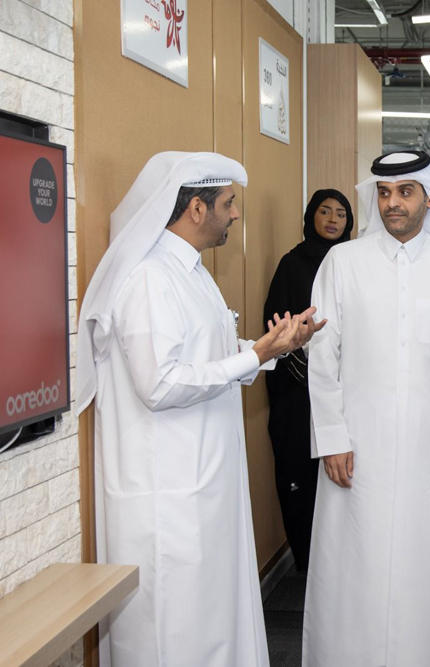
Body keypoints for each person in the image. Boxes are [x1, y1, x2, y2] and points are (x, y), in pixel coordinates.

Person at [75, 151, 322, 666]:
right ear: (195, 208)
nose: (235, 214)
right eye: (228, 203)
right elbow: (160, 383)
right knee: (173, 630)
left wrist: (274, 347)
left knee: (209, 621)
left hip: (203, 479)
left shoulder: (191, 272)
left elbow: (208, 355)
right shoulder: (149, 278)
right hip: (167, 492)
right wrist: (254, 356)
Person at [303, 151, 430, 667]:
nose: (393, 203)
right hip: (358, 445)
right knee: (355, 561)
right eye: (384, 193)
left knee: (428, 563)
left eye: (405, 192)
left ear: (427, 198)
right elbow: (323, 357)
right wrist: (332, 437)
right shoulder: (344, 262)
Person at [263, 189, 354, 571]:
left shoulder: (353, 263)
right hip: (298, 395)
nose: (333, 220)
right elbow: (275, 330)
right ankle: (307, 566)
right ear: (310, 217)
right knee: (300, 478)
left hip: (347, 390)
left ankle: (342, 565)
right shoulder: (292, 264)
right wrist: (308, 373)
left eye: (341, 214)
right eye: (325, 211)